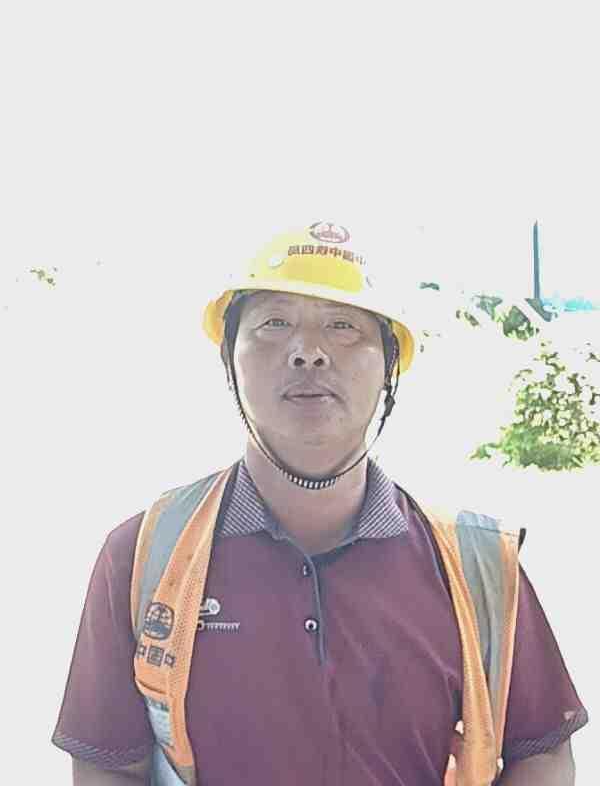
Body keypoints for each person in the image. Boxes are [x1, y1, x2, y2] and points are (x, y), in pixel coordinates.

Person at [52, 222, 589, 785]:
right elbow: (107, 764)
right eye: (274, 323)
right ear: (229, 357)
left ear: (390, 366)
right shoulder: (142, 556)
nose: (308, 353)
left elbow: (542, 751)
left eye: (342, 325)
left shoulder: (479, 565)